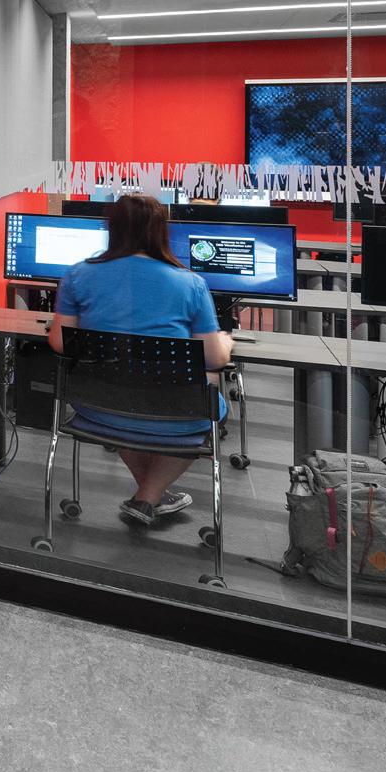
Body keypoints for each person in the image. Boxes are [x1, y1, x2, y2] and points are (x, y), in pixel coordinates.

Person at [47, 192, 233, 528]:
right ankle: (149, 495)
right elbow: (214, 358)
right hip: (179, 414)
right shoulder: (191, 284)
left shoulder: (77, 275)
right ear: (161, 231)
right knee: (207, 395)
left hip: (100, 406)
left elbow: (60, 342)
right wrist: (225, 341)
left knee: (125, 390)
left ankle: (150, 494)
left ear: (111, 229)